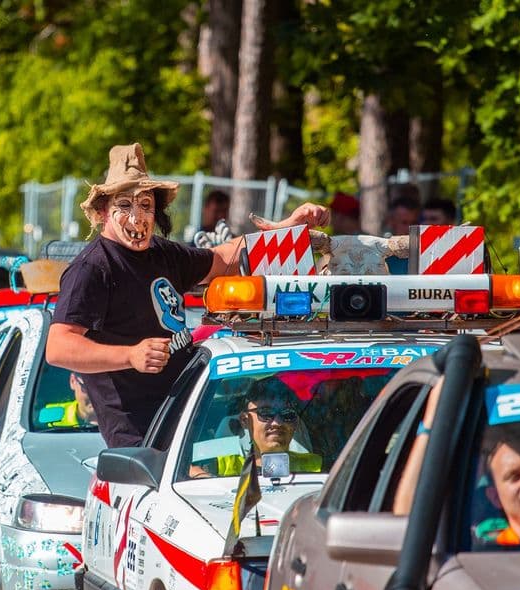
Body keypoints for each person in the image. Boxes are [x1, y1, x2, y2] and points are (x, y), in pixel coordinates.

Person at [45, 143, 328, 447]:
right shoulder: (92, 268)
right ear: (103, 212)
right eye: (124, 205)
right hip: (140, 440)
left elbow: (223, 259)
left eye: (145, 204)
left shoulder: (162, 254)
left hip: (186, 421)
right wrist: (130, 355)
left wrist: (285, 229)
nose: (137, 217)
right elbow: (58, 347)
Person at [190, 377, 321, 478]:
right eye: (265, 413)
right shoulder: (221, 464)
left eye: (287, 414)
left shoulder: (316, 466)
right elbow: (185, 471)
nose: (277, 423)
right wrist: (203, 477)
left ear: (295, 423)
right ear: (244, 420)